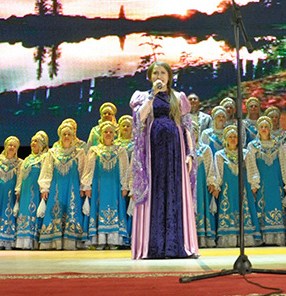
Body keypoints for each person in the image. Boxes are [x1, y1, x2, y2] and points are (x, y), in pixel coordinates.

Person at [128, 61, 198, 259]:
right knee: (156, 192)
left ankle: (177, 246)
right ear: (150, 77)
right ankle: (154, 247)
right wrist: (152, 95)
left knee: (174, 192)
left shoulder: (178, 97)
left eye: (163, 73)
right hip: (153, 153)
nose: (159, 76)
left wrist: (190, 153)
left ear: (169, 76)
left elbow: (186, 127)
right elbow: (139, 118)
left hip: (175, 152)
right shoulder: (143, 96)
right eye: (155, 73)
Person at [38, 121, 87, 250]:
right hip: (57, 188)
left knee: (73, 210)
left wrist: (84, 187)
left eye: (69, 134)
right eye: (64, 134)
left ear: (72, 136)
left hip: (73, 188)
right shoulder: (52, 153)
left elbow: (83, 170)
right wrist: (45, 188)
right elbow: (47, 171)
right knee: (55, 211)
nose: (66, 136)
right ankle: (55, 242)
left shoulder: (79, 152)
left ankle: (72, 242)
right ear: (60, 135)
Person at [211, 125, 261, 247]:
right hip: (227, 189)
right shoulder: (219, 155)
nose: (233, 139)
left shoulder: (245, 153)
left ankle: (245, 238)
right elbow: (217, 172)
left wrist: (254, 183)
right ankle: (229, 238)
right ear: (225, 139)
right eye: (230, 137)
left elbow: (252, 169)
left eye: (235, 137)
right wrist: (216, 186)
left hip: (243, 188)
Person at [82, 121, 130, 248]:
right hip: (99, 187)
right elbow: (89, 169)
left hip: (115, 187)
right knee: (98, 207)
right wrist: (87, 186)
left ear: (114, 134)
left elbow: (125, 169)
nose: (108, 134)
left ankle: (114, 240)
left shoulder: (121, 150)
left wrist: (125, 186)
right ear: (101, 134)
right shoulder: (94, 150)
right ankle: (99, 240)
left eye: (110, 132)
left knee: (116, 208)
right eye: (105, 132)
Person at [245, 116, 286, 246]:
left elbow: (284, 163)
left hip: (276, 181)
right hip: (261, 182)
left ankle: (277, 237)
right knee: (261, 205)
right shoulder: (253, 145)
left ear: (270, 129)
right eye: (261, 127)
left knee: (277, 204)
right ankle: (263, 238)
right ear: (258, 129)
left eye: (266, 127)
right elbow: (251, 165)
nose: (264, 129)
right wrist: (254, 182)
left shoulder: (278, 144)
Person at [14, 131, 48, 250]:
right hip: (25, 191)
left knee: (35, 212)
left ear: (42, 144)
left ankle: (34, 241)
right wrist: (18, 190)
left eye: (36, 141)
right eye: (32, 141)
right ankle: (24, 241)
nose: (33, 143)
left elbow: (46, 174)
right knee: (25, 212)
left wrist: (44, 189)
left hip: (36, 190)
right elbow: (20, 176)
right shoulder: (27, 159)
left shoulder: (45, 157)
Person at [192, 133, 217, 248]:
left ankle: (202, 237)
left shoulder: (205, 149)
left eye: (195, 131)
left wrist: (211, 181)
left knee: (201, 205)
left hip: (201, 184)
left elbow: (210, 165)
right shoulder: (183, 147)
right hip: (187, 183)